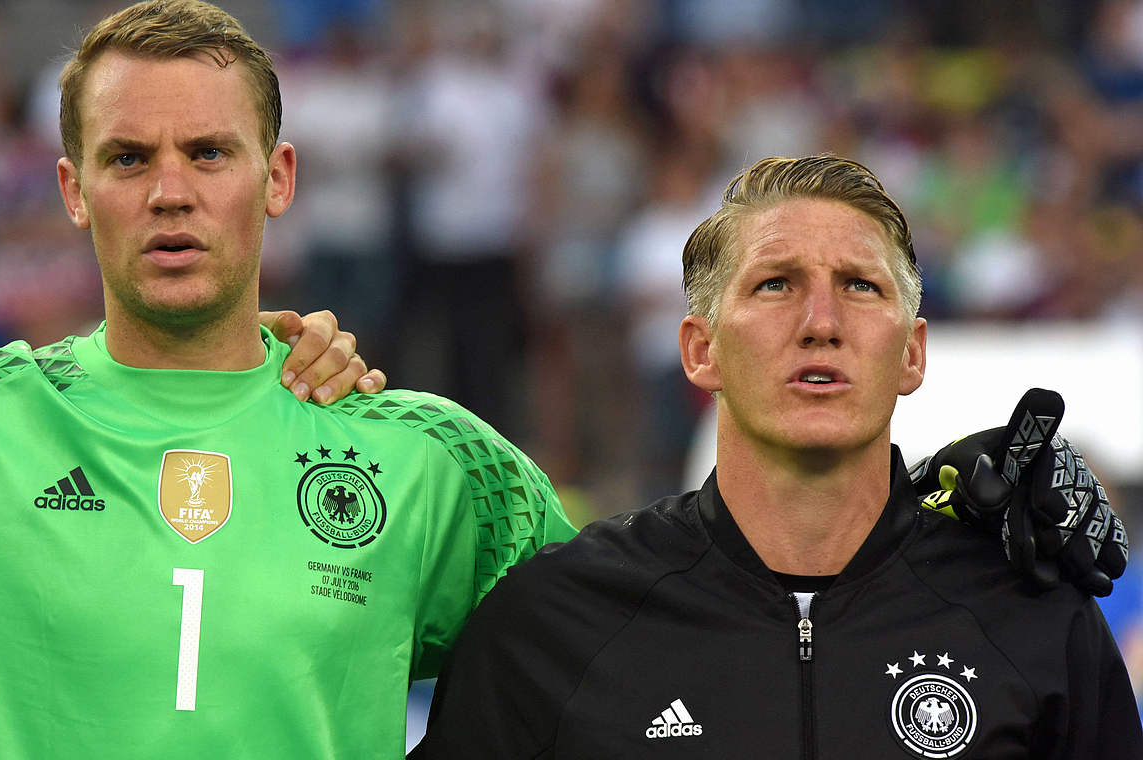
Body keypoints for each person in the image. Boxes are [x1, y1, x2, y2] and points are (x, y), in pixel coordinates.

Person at [0, 2, 575, 757]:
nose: (170, 194)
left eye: (209, 154)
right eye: (128, 159)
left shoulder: (425, 460)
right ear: (73, 191)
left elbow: (611, 662)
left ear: (278, 178)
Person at [410, 155, 1142, 758]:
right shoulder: (555, 621)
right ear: (701, 351)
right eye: (775, 284)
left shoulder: (1033, 618)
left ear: (912, 354)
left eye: (860, 286)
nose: (821, 322)